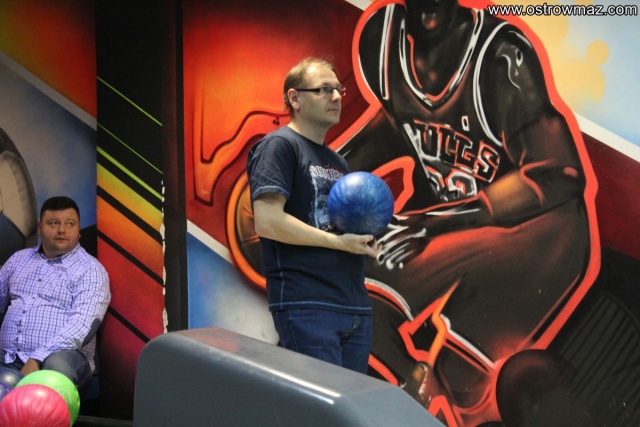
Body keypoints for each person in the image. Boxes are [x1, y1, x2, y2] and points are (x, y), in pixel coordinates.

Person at [338, 0, 598, 424]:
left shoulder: (501, 59)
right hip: (453, 223)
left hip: (540, 233)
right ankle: (415, 387)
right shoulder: (382, 40)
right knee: (359, 292)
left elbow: (558, 174)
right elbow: (399, 125)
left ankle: (443, 402)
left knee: (461, 373)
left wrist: (433, 224)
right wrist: (323, 171)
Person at [246, 57, 381, 373]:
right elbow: (267, 222)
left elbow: (335, 226)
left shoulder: (337, 161)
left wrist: (363, 239)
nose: (335, 97)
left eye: (338, 90)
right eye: (323, 89)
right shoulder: (279, 146)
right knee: (319, 404)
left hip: (352, 304)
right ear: (295, 99)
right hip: (307, 304)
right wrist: (340, 244)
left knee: (349, 403)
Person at [0, 196, 111, 388]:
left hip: (63, 357)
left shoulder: (90, 269)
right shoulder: (18, 260)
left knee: (54, 369)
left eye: (70, 224)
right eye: (53, 223)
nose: (61, 230)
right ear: (40, 228)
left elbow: (82, 325)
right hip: (9, 355)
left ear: (78, 231)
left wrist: (37, 358)